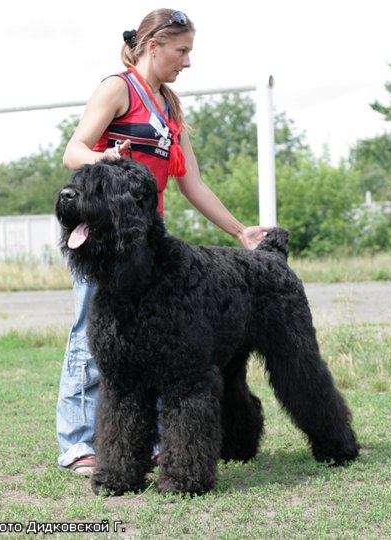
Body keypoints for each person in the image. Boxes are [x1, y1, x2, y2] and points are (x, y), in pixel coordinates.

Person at [57, 8, 271, 476]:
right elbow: (73, 151)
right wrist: (105, 155)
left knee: (159, 347)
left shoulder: (170, 107)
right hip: (107, 234)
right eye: (183, 51)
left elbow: (190, 182)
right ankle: (77, 446)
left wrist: (239, 231)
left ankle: (152, 444)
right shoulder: (117, 87)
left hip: (146, 240)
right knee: (89, 342)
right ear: (153, 46)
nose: (188, 62)